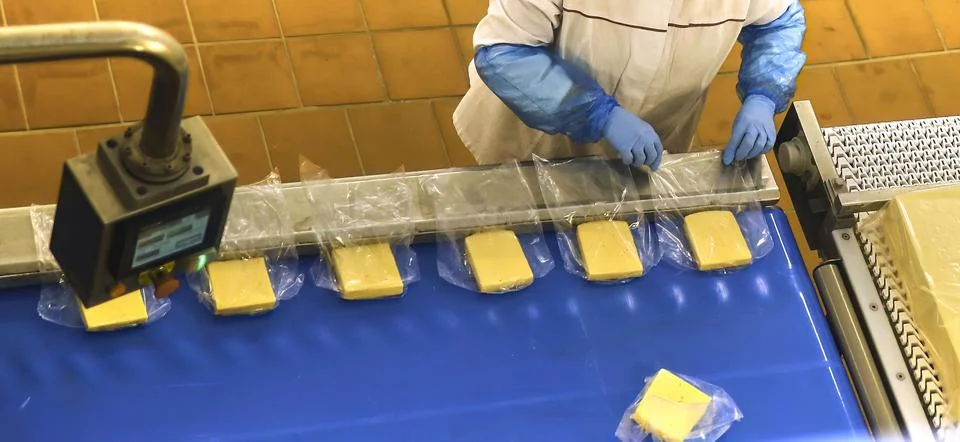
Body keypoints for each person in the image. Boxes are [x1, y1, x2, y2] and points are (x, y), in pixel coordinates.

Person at [453, 0, 806, 170]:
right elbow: (505, 51)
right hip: (535, 137)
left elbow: (777, 23)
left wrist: (763, 93)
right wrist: (598, 114)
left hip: (658, 132)